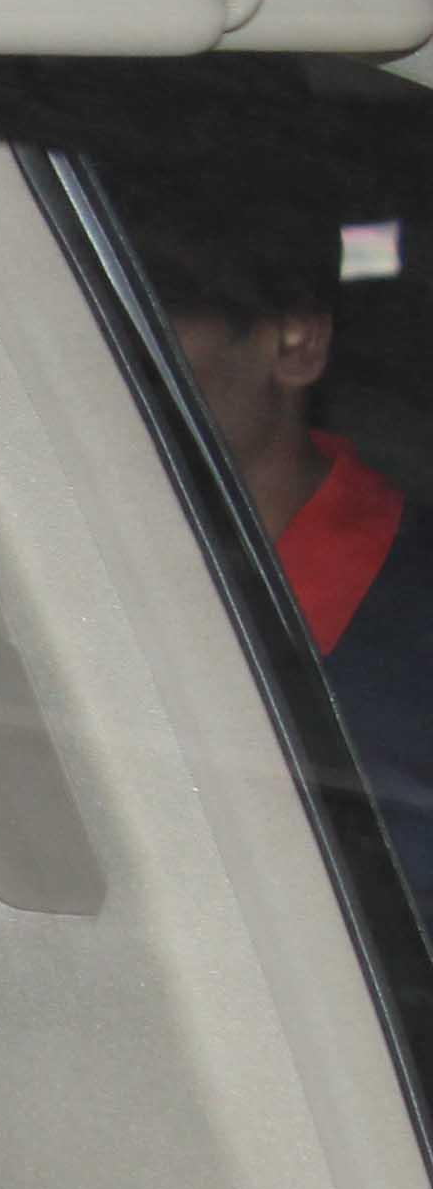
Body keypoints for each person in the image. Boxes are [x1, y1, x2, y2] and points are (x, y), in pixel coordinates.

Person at [140, 192, 433, 912]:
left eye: (149, 322)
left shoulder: (408, 635)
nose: (100, 358)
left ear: (297, 341)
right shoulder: (45, 566)